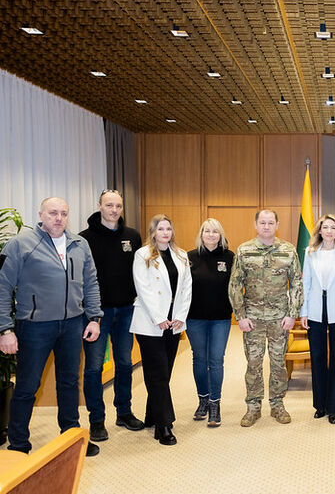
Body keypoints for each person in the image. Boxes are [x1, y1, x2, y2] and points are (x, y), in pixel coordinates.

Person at [0, 197, 102, 456]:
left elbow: (90, 283)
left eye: (64, 213)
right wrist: (5, 329)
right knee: (27, 386)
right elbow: (2, 287)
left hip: (72, 325)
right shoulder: (21, 244)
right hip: (34, 327)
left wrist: (94, 318)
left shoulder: (80, 244)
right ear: (41, 215)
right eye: (53, 213)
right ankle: (18, 444)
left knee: (69, 383)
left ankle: (70, 438)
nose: (59, 218)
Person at [79, 189, 144, 443]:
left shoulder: (132, 236)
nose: (114, 210)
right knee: (94, 368)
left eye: (118, 205)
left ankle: (124, 412)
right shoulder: (84, 239)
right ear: (100, 206)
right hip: (96, 314)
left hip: (126, 310)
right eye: (109, 205)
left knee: (125, 364)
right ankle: (96, 419)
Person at [228, 209, 303, 427]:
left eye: (271, 222)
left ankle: (277, 404)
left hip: (280, 319)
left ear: (277, 225)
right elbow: (234, 285)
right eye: (263, 222)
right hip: (252, 319)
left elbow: (297, 284)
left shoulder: (288, 250)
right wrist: (240, 316)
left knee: (279, 363)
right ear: (256, 224)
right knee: (253, 363)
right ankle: (253, 406)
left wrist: (292, 314)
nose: (267, 226)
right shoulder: (244, 250)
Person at [130, 214, 192, 446]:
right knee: (157, 373)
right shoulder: (142, 255)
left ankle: (151, 415)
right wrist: (159, 318)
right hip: (150, 323)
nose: (165, 232)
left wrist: (179, 317)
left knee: (163, 372)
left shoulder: (181, 255)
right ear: (153, 232)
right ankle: (164, 425)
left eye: (168, 228)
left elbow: (186, 289)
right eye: (160, 229)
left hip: (173, 324)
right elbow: (143, 288)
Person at [300, 214, 335, 425]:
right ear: (319, 231)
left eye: (333, 227)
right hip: (314, 310)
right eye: (325, 227)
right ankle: (320, 405)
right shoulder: (310, 252)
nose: (329, 231)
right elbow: (306, 284)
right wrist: (303, 312)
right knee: (318, 357)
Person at [187, 218, 234, 427]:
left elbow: (236, 288)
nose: (211, 235)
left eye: (215, 231)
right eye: (207, 231)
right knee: (199, 359)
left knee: (216, 360)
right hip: (194, 318)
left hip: (220, 319)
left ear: (221, 234)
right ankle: (203, 400)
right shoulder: (189, 257)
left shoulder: (230, 257)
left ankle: (215, 403)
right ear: (201, 233)